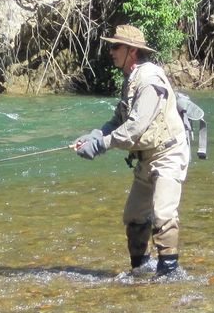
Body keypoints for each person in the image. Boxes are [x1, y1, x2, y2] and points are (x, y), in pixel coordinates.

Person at [73, 24, 190, 279]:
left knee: (163, 215)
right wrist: (94, 135)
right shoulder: (131, 78)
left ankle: (169, 274)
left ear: (132, 51)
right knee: (134, 216)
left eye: (116, 46)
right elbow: (118, 120)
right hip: (148, 155)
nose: (111, 51)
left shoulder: (149, 81)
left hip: (168, 153)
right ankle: (140, 271)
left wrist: (100, 146)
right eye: (111, 46)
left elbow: (134, 130)